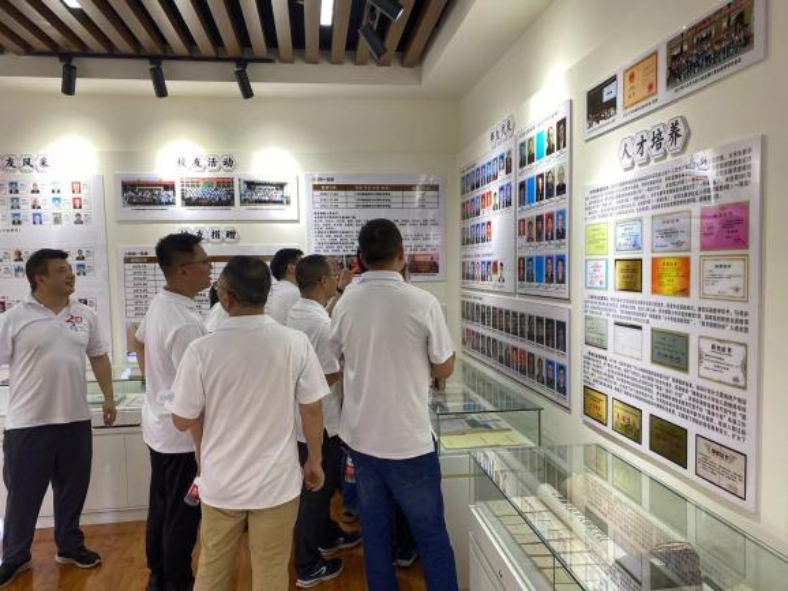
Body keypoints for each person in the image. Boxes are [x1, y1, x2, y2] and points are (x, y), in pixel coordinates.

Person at [170, 256, 328, 591]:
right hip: (276, 482)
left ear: (225, 297)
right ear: (265, 294)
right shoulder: (294, 342)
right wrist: (315, 459)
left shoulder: (201, 350)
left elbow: (182, 418)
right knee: (271, 572)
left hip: (220, 480)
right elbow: (312, 408)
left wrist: (201, 443)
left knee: (212, 569)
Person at [330, 219, 458, 591]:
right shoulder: (422, 302)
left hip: (362, 440)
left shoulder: (346, 301)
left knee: (375, 532)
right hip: (409, 441)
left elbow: (333, 357)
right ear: (402, 254)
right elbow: (444, 365)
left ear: (360, 257)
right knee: (431, 534)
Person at [0, 249, 116, 588]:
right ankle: (15, 556)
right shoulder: (14, 318)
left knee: (72, 491)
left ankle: (70, 546)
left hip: (75, 420)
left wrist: (109, 398)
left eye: (71, 269)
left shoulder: (85, 314)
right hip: (28, 423)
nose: (71, 274)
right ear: (40, 278)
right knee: (22, 495)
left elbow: (99, 357)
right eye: (62, 270)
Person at [133, 233, 212, 591]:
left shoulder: (162, 302)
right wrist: (201, 448)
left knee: (162, 506)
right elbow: (192, 395)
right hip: (180, 438)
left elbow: (138, 340)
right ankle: (177, 581)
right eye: (204, 262)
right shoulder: (185, 323)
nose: (209, 268)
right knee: (182, 514)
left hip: (159, 427)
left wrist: (155, 385)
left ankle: (159, 574)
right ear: (183, 270)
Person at [287, 255, 362, 588]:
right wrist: (349, 367)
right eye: (333, 275)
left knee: (320, 490)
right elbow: (329, 373)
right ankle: (307, 564)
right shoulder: (318, 323)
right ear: (322, 281)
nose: (337, 278)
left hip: (302, 421)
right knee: (316, 493)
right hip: (321, 421)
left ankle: (327, 536)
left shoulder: (298, 311)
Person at [266, 248, 303, 324]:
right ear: (291, 268)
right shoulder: (295, 293)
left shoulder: (273, 290)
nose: (307, 268)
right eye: (302, 264)